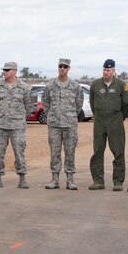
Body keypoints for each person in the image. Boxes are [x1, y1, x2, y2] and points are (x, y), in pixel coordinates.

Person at [88, 59, 128, 191]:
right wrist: (98, 114)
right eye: (104, 70)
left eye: (108, 70)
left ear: (113, 71)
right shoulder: (95, 84)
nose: (106, 72)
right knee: (98, 150)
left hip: (115, 120)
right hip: (100, 120)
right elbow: (92, 102)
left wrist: (119, 117)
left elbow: (127, 103)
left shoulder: (121, 85)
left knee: (118, 151)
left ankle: (118, 182)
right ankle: (98, 181)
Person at [42, 58, 83, 190]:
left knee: (70, 152)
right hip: (54, 125)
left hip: (70, 125)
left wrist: (69, 116)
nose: (62, 69)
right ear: (58, 67)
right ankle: (54, 180)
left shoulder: (75, 87)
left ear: (69, 69)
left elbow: (78, 105)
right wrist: (53, 115)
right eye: (60, 66)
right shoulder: (50, 85)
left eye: (65, 67)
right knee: (55, 152)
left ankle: (70, 180)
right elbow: (45, 103)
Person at [0, 61, 33, 189]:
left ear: (14, 71)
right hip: (1, 125)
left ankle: (22, 178)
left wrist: (18, 118)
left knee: (19, 152)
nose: (4, 72)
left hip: (17, 126)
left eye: (7, 70)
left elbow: (29, 107)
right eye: (4, 69)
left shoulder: (24, 87)